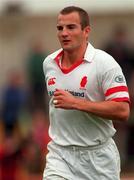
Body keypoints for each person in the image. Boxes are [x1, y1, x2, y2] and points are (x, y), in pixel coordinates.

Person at [42, 6, 130, 180]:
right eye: (60, 28)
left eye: (71, 27)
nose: (64, 33)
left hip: (99, 159)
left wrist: (75, 103)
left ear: (86, 31)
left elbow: (123, 110)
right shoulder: (49, 63)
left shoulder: (104, 63)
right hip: (60, 155)